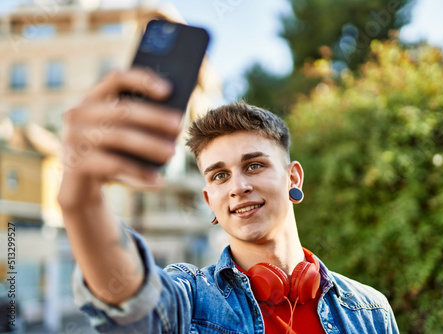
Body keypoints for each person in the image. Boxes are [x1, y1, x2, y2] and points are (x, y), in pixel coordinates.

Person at [58, 68, 399, 333]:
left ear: (293, 177)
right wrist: (82, 201)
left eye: (254, 165)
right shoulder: (191, 300)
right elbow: (134, 301)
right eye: (219, 175)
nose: (238, 186)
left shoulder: (370, 311)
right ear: (209, 199)